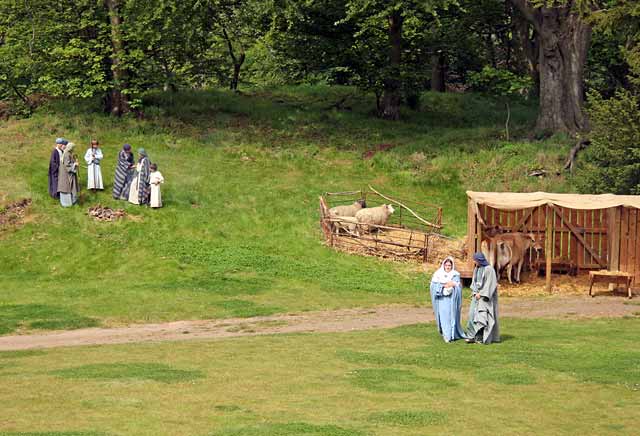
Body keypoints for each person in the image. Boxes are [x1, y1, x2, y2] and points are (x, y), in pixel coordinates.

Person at [466, 252, 500, 344]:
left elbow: (490, 284)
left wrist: (481, 294)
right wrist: (475, 292)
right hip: (476, 296)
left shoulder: (489, 269)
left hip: (485, 298)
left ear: (479, 260)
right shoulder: (476, 269)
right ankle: (471, 336)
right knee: (472, 315)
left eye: (475, 260)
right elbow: (474, 282)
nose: (474, 262)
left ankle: (480, 337)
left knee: (482, 317)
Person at [429, 256, 466, 342]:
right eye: (446, 265)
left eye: (449, 265)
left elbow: (458, 285)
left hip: (451, 300)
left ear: (452, 266)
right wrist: (442, 286)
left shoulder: (455, 274)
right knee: (443, 317)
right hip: (442, 300)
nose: (448, 267)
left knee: (450, 317)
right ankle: (447, 336)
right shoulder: (438, 274)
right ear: (444, 265)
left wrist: (453, 285)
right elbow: (433, 285)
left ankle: (452, 334)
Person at [57, 141, 79, 207]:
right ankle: (68, 203)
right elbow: (67, 166)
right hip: (66, 175)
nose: (73, 149)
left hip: (67, 174)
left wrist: (74, 161)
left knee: (70, 187)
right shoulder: (66, 154)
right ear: (70, 148)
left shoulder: (68, 153)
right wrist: (75, 164)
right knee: (67, 187)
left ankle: (71, 201)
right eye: (73, 148)